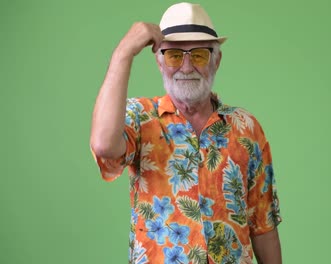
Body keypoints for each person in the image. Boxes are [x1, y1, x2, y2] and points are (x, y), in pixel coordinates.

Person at [90, 2, 282, 263]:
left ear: (217, 61)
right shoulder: (141, 118)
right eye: (174, 55)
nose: (187, 67)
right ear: (159, 61)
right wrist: (123, 53)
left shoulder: (246, 128)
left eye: (200, 55)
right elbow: (103, 145)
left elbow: (263, 225)